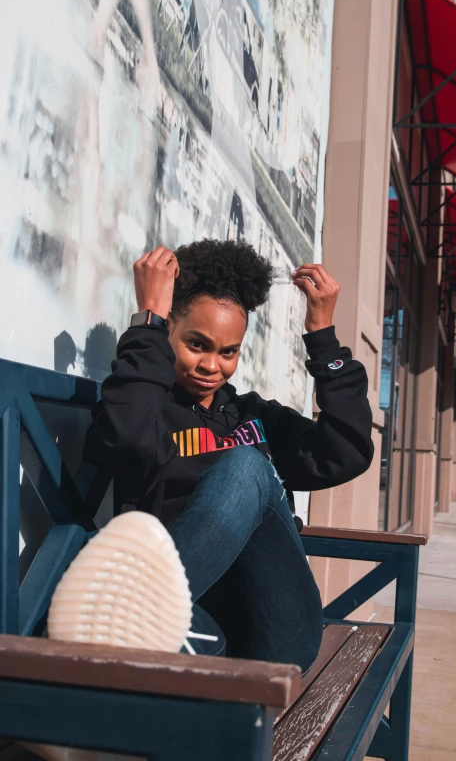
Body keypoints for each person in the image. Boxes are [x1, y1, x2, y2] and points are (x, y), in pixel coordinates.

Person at [47, 240, 374, 674]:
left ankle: (144, 608)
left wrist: (323, 340)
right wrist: (148, 320)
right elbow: (127, 444)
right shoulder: (146, 408)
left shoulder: (252, 415)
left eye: (228, 351)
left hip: (276, 631)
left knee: (248, 466)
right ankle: (145, 630)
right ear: (167, 333)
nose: (211, 366)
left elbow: (345, 452)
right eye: (197, 344)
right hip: (196, 630)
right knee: (172, 659)